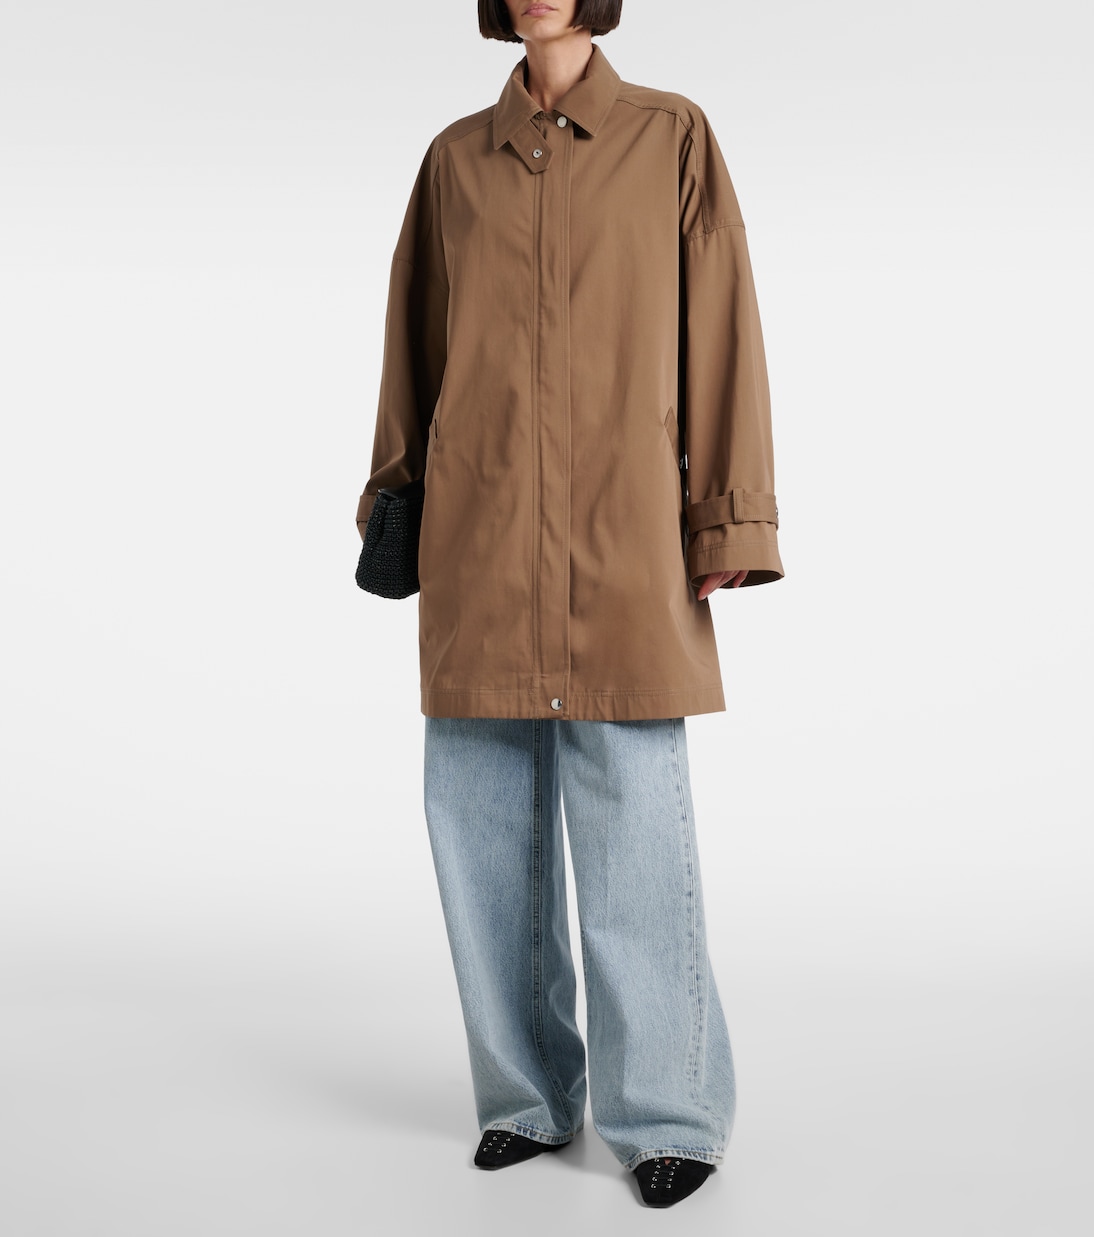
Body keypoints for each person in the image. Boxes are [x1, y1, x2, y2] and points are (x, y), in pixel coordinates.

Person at [355, 0, 784, 1209]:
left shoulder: (670, 136)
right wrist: (394, 500)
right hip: (480, 536)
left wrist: (728, 518)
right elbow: (411, 350)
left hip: (625, 538)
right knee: (479, 824)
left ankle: (667, 1113)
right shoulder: (454, 161)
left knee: (633, 822)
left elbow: (722, 333)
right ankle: (525, 1096)